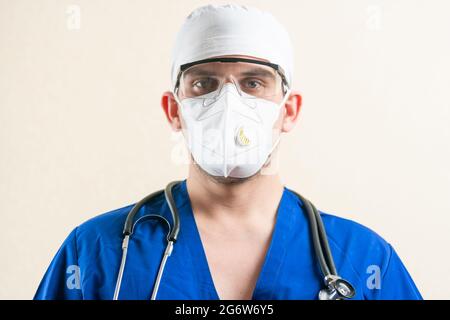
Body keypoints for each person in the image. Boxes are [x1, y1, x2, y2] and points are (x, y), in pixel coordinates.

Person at [34, 4, 422, 300]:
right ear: (174, 110)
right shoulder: (95, 253)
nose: (229, 103)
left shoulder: (365, 259)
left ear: (289, 111)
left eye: (253, 83)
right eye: (204, 83)